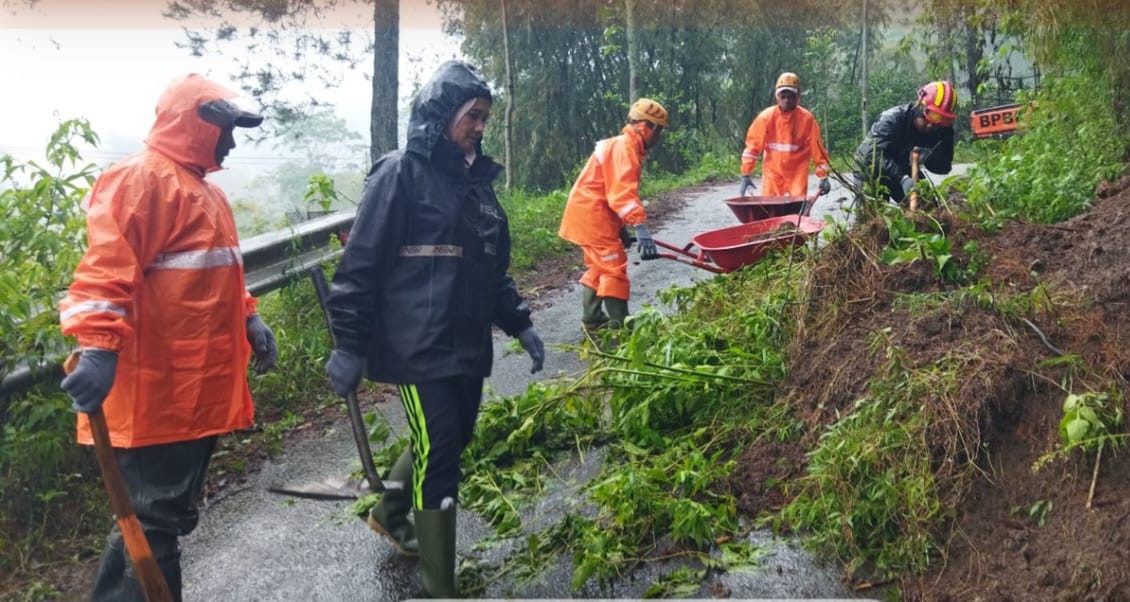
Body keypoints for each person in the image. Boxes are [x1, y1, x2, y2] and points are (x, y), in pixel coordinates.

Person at [323, 60, 545, 598]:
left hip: (466, 341)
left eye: (486, 117)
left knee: (453, 437)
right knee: (441, 451)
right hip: (416, 345)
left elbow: (492, 267)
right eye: (472, 115)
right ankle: (438, 585)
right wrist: (349, 344)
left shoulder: (476, 186)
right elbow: (359, 266)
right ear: (442, 114)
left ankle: (392, 513)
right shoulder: (400, 174)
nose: (480, 126)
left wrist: (519, 323)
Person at [58, 73, 279, 601]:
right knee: (152, 522)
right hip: (157, 392)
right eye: (227, 128)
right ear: (197, 123)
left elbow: (216, 278)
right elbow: (105, 272)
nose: (232, 141)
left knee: (162, 517)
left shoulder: (207, 194)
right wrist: (97, 348)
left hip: (191, 395)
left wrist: (248, 317)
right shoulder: (140, 181)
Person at [558, 98, 669, 332]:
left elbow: (609, 189)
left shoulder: (624, 146)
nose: (659, 138)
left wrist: (621, 229)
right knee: (613, 267)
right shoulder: (625, 148)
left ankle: (592, 318)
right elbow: (621, 194)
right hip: (592, 216)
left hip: (591, 213)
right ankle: (621, 325)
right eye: (659, 131)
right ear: (647, 127)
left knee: (600, 266)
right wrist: (641, 227)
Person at [853, 80, 957, 208]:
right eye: (934, 116)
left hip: (903, 167)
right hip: (871, 170)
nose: (932, 125)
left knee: (928, 208)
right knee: (872, 218)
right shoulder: (891, 119)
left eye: (942, 119)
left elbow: (944, 167)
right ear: (920, 106)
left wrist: (930, 156)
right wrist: (902, 179)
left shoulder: (942, 129)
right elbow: (872, 157)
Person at [738, 72, 832, 204]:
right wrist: (745, 174)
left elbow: (818, 150)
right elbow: (752, 148)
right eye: (783, 96)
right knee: (769, 208)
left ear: (797, 96)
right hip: (772, 173)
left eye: (790, 96)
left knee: (796, 209)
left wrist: (824, 176)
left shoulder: (806, 119)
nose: (786, 100)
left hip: (797, 173)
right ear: (777, 96)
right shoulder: (766, 118)